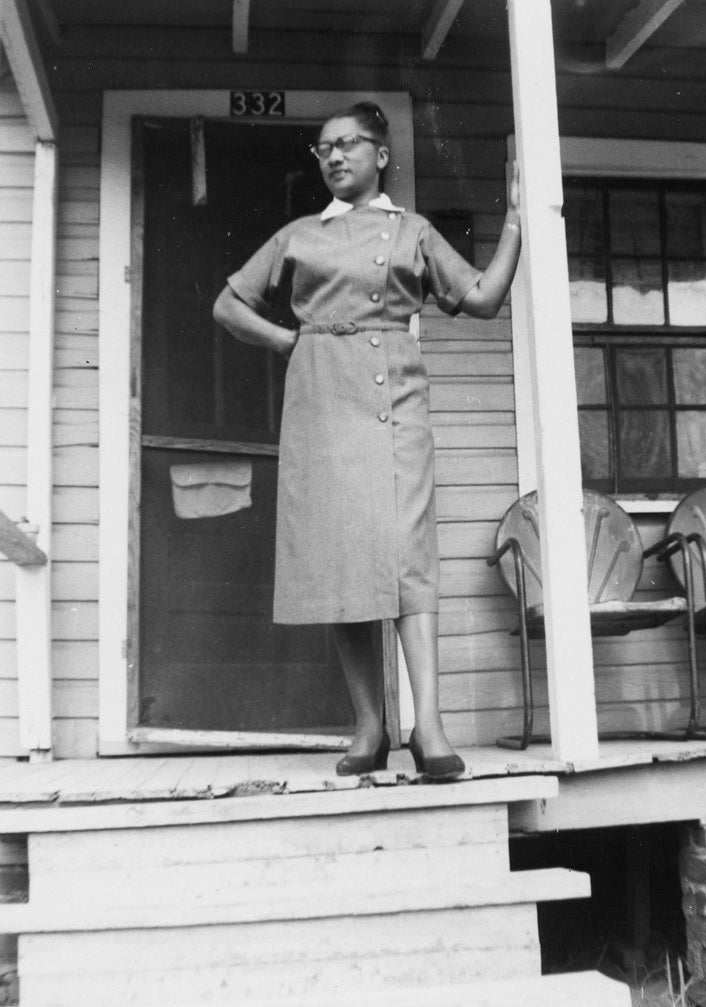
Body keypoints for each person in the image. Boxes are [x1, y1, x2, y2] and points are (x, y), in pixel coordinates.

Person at [213, 101, 521, 780]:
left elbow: (482, 298)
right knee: (339, 561)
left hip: (396, 399)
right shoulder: (299, 236)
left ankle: (429, 726)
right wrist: (289, 339)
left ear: (381, 154)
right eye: (324, 148)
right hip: (321, 400)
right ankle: (368, 723)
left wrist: (517, 229)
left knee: (407, 554)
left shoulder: (412, 230)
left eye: (349, 144)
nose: (334, 156)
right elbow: (229, 304)